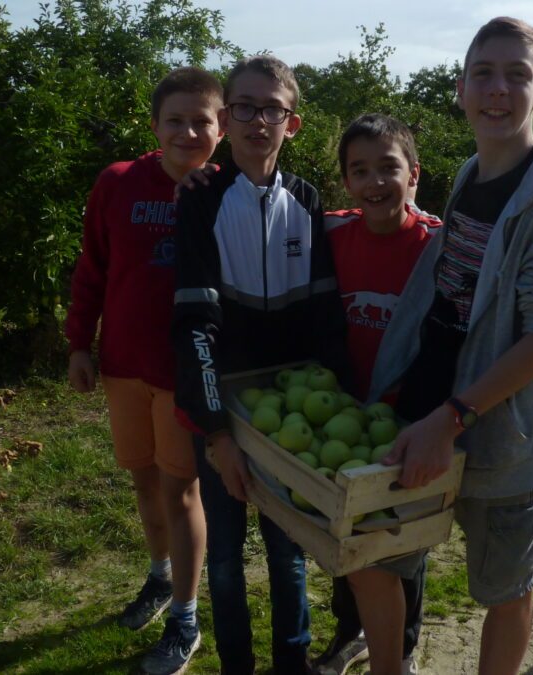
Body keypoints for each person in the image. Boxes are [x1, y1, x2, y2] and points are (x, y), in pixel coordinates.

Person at [368, 17, 533, 675]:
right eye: (484, 74)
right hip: (433, 408)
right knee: (376, 553)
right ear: (461, 88)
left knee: (506, 587)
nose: (498, 89)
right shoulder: (473, 169)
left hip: (501, 435)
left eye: (517, 75)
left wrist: (453, 418)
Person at [171, 54, 351, 675]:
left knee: (288, 549)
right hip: (222, 407)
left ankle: (292, 662)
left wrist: (341, 405)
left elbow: (326, 320)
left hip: (292, 416)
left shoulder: (308, 199)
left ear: (291, 124)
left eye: (270, 109)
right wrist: (217, 431)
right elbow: (194, 324)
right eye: (242, 107)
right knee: (223, 554)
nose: (256, 120)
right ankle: (237, 666)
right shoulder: (199, 199)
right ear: (224, 119)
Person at [64, 66, 224, 675]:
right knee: (142, 478)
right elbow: (93, 267)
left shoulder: (227, 192)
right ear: (155, 125)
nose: (188, 131)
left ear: (221, 127)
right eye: (175, 120)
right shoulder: (119, 183)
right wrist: (80, 342)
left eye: (201, 121)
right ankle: (160, 576)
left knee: (181, 489)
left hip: (188, 370)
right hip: (124, 364)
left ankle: (186, 616)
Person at [317, 113, 442, 675]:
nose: (375, 182)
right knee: (347, 537)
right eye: (359, 170)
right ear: (346, 181)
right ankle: (353, 632)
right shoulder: (331, 234)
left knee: (399, 541)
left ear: (413, 173)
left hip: (411, 421)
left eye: (388, 168)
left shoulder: (441, 246)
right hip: (343, 415)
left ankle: (403, 646)